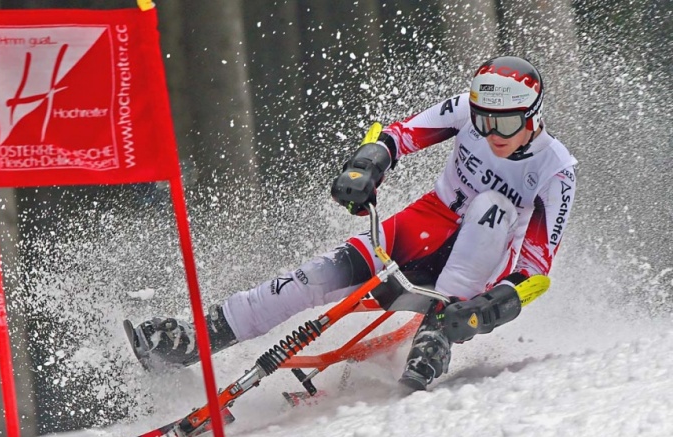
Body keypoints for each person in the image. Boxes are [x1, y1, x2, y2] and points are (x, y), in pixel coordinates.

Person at [124, 55, 577, 392]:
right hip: (425, 224)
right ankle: (196, 338)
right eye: (483, 120)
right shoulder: (467, 111)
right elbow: (397, 134)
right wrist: (365, 167)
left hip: (482, 263)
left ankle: (437, 334)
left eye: (507, 122)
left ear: (533, 118)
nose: (492, 133)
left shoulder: (555, 170)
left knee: (493, 206)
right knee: (314, 277)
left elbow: (535, 272)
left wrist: (486, 310)